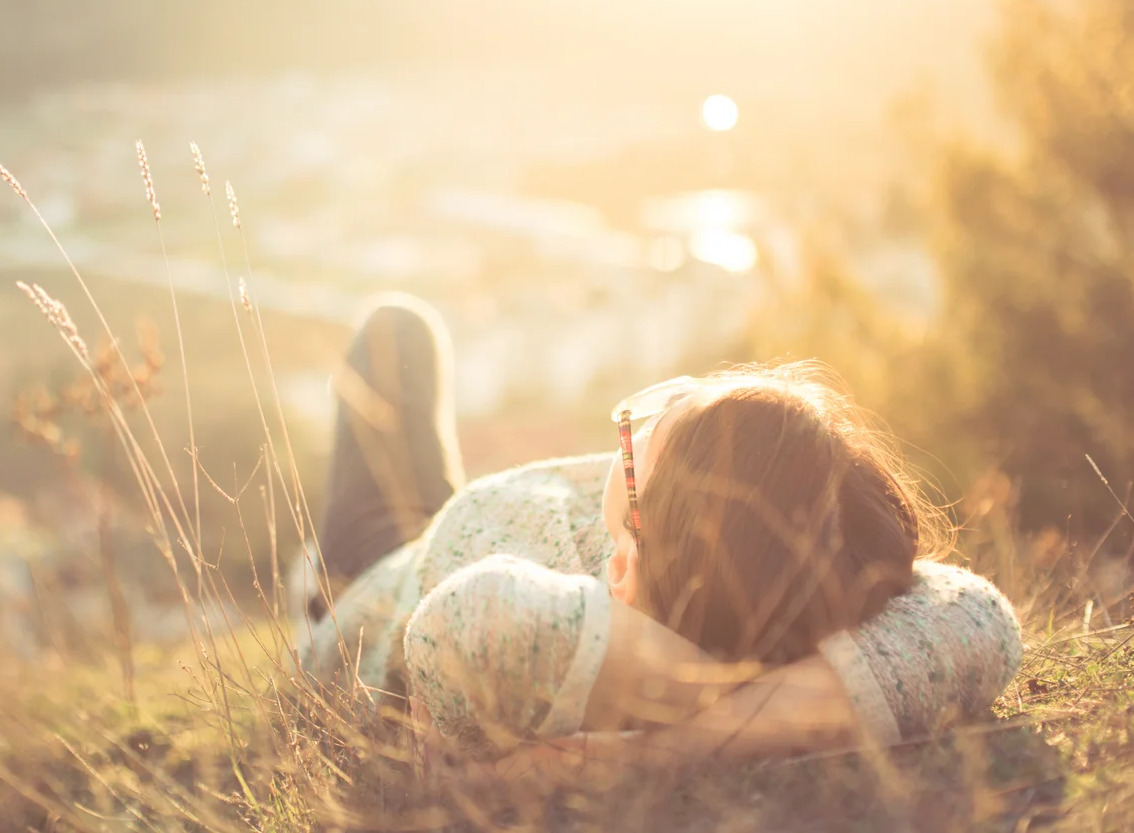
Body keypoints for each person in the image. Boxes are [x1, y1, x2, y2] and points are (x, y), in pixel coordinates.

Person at [294, 295, 1022, 765]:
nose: (628, 433)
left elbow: (471, 617)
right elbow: (979, 621)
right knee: (402, 333)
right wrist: (726, 704)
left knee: (393, 331)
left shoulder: (532, 609)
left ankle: (309, 598)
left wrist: (646, 754)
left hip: (374, 581)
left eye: (649, 435)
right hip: (436, 541)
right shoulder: (775, 578)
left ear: (627, 568)